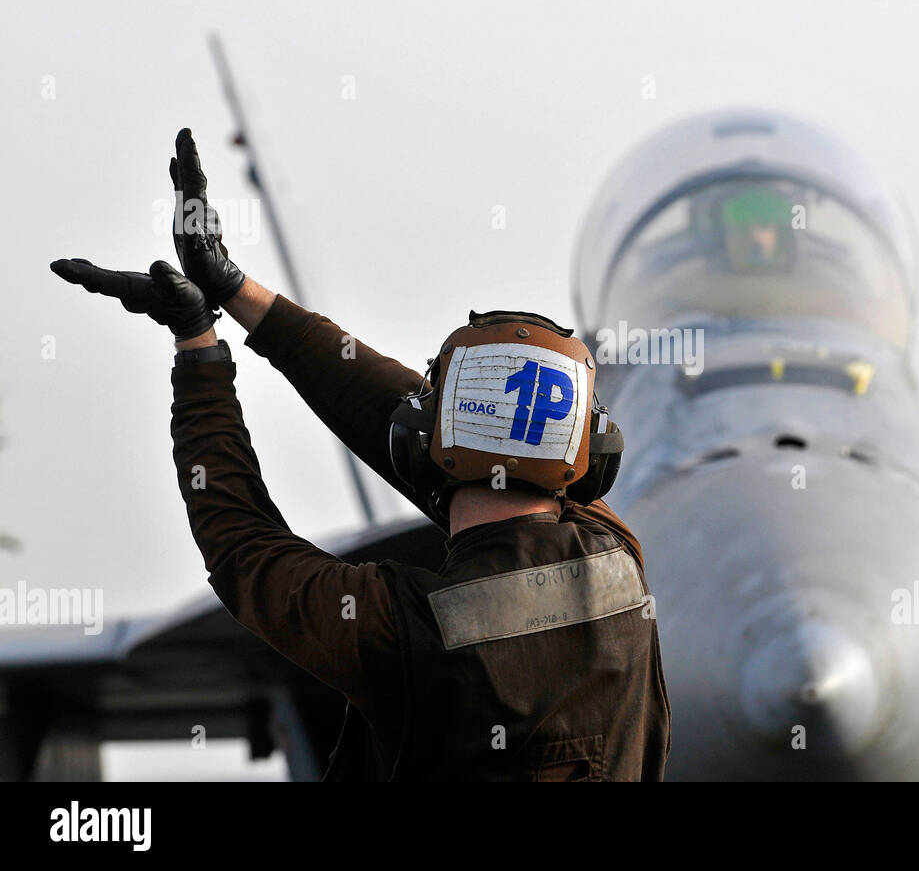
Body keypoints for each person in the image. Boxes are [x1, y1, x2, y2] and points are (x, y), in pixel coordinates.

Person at [50, 128, 670, 781]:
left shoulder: (394, 627)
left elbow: (244, 551)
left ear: (424, 437)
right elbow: (251, 544)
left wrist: (200, 342)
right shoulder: (616, 562)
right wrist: (233, 294)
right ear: (589, 457)